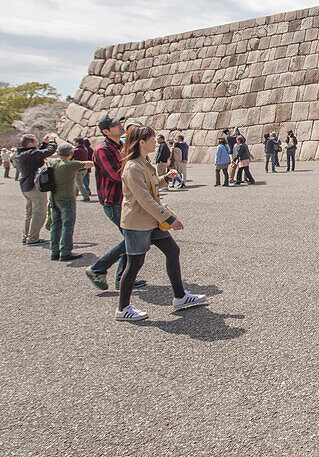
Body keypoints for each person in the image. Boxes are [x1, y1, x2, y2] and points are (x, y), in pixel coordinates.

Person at [115, 124, 206, 321]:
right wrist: (170, 218)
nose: (154, 143)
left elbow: (152, 186)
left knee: (172, 251)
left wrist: (165, 178)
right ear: (141, 142)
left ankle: (180, 296)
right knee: (134, 264)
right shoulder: (132, 167)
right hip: (138, 222)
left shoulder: (143, 162)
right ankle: (123, 308)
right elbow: (144, 198)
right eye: (151, 140)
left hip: (152, 220)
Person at [85, 115, 146, 292]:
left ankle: (123, 278)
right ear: (106, 131)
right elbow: (114, 175)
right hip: (113, 200)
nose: (120, 126)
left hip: (125, 199)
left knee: (132, 238)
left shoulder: (120, 146)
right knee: (132, 238)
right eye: (116, 124)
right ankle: (98, 268)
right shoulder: (102, 150)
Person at [45, 142, 93, 261]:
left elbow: (50, 159)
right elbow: (90, 164)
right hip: (67, 198)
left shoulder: (53, 162)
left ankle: (54, 251)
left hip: (54, 196)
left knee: (55, 225)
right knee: (67, 225)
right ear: (71, 153)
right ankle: (65, 251)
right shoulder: (70, 165)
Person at [14, 133, 58, 246]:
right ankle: (33, 238)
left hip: (25, 186)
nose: (37, 143)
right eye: (35, 141)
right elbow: (47, 152)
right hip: (34, 187)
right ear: (29, 144)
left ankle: (27, 236)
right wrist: (52, 141)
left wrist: (44, 143)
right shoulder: (29, 154)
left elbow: (38, 154)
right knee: (39, 212)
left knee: (29, 213)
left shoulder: (20, 154)